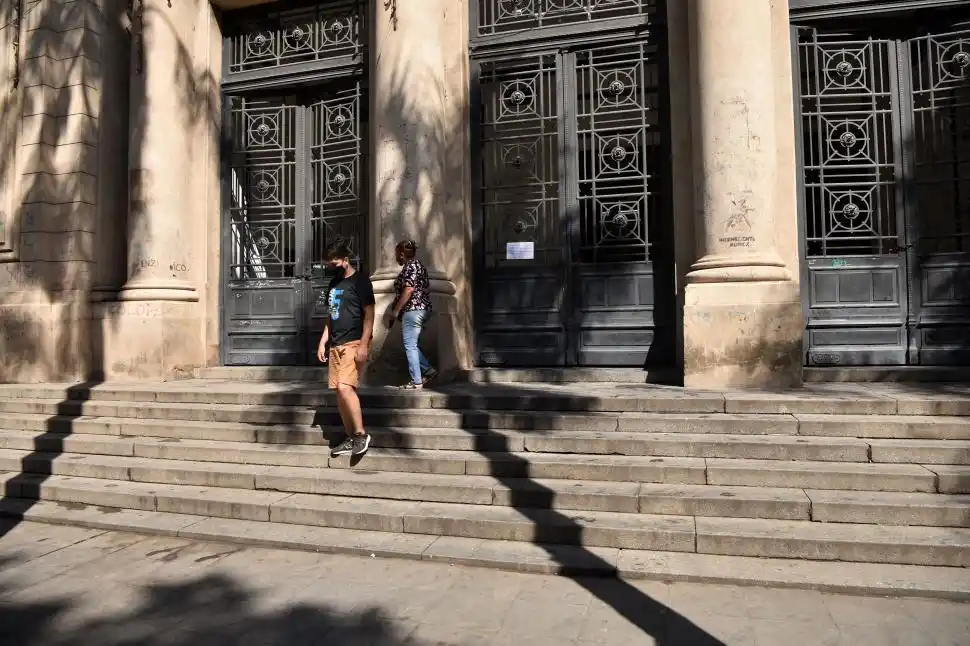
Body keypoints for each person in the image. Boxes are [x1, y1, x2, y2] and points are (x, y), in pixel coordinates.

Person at [318, 241, 374, 457]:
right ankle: (350, 437)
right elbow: (331, 316)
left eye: (334, 262)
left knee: (345, 387)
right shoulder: (333, 284)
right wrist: (323, 341)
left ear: (345, 259)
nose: (331, 266)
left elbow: (369, 314)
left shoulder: (360, 281)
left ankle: (360, 434)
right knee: (339, 393)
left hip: (353, 342)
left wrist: (363, 343)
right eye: (329, 263)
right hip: (335, 344)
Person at [383, 239, 437, 389]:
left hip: (413, 310)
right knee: (413, 344)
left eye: (396, 254)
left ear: (401, 254)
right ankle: (427, 369)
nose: (395, 257)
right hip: (422, 309)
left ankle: (417, 380)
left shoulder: (411, 267)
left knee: (410, 345)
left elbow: (409, 289)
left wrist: (396, 310)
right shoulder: (419, 266)